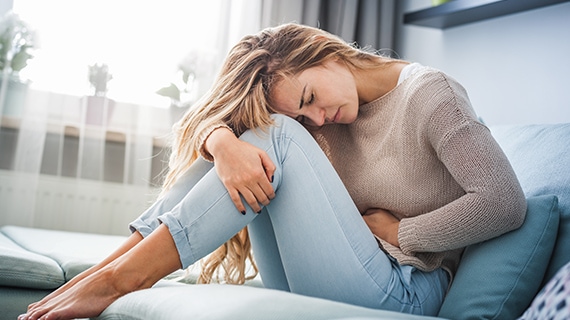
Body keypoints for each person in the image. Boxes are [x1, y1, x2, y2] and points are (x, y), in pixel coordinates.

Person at [19, 23, 527, 320]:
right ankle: (106, 273)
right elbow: (217, 122)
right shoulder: (319, 116)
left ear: (324, 52)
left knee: (275, 136)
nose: (317, 119)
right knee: (257, 135)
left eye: (308, 99)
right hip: (343, 272)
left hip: (408, 288)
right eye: (304, 114)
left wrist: (402, 230)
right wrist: (222, 144)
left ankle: (119, 279)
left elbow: (504, 201)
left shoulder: (432, 96)